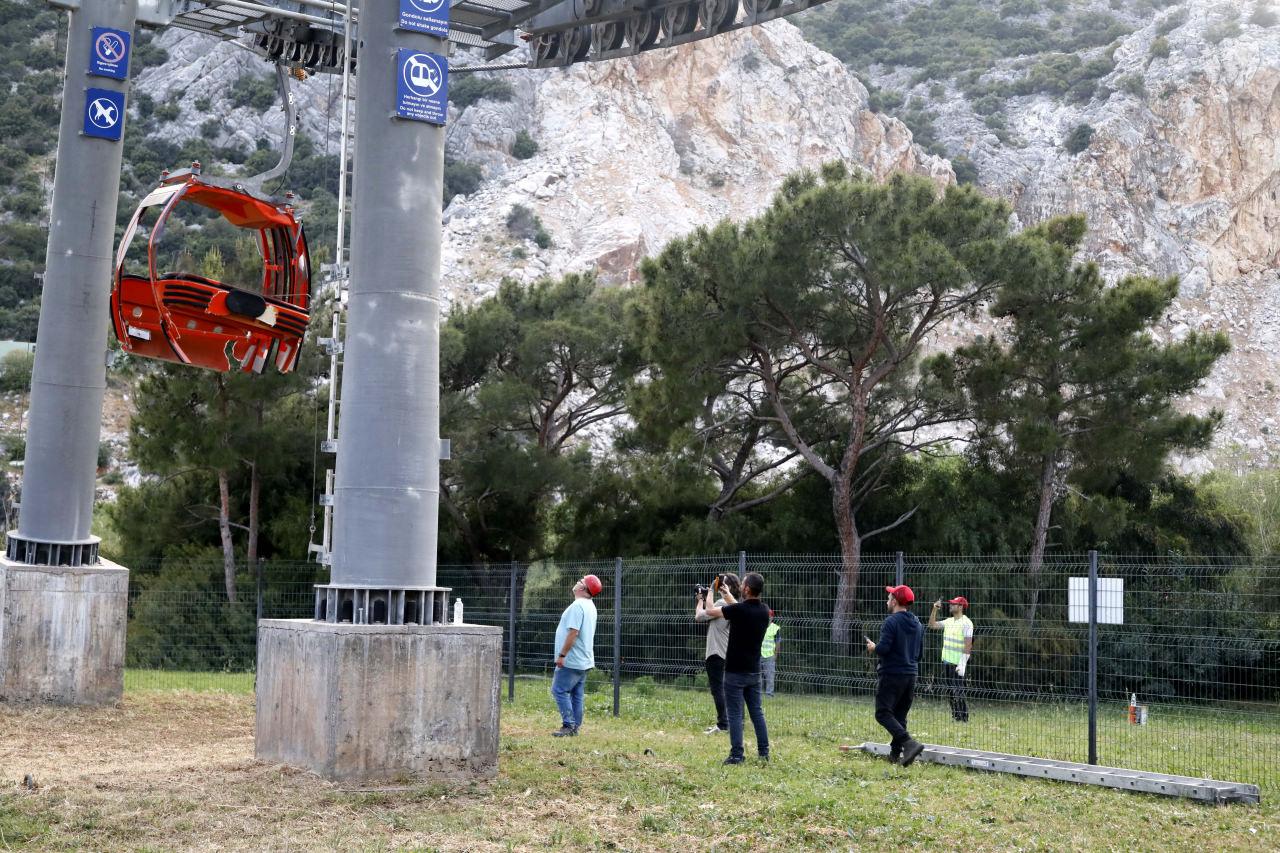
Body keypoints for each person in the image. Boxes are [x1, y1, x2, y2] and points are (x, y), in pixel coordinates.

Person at [699, 572, 770, 765]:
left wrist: (712, 592)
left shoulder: (739, 611)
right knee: (757, 713)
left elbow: (710, 610)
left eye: (744, 583)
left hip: (735, 672)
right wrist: (726, 593)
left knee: (736, 715)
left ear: (746, 589)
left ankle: (737, 755)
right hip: (754, 672)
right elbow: (740, 606)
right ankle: (764, 753)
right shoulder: (764, 611)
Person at [865, 585, 925, 766]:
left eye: (889, 597)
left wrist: (873, 647)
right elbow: (920, 654)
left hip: (892, 674)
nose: (887, 600)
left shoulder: (891, 622)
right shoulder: (918, 623)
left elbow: (883, 649)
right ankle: (896, 755)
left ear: (895, 602)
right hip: (911, 675)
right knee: (900, 716)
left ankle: (909, 743)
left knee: (882, 713)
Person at [550, 573, 602, 737]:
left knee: (559, 690)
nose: (577, 582)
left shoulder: (578, 606)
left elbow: (573, 632)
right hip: (584, 659)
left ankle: (569, 725)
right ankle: (575, 727)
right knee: (577, 694)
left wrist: (562, 655)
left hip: (572, 659)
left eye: (580, 581)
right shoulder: (590, 606)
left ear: (583, 588)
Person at [694, 573, 740, 734]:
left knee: (717, 689)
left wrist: (701, 598)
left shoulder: (722, 602)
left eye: (721, 583)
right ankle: (731, 721)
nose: (717, 584)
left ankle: (723, 724)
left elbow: (699, 616)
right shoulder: (735, 605)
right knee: (727, 689)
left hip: (716, 652)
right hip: (727, 651)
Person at [929, 595, 974, 722]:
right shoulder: (949, 621)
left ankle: (963, 718)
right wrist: (934, 609)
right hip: (947, 662)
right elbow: (932, 625)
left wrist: (962, 664)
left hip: (958, 663)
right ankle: (956, 716)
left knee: (958, 691)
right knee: (950, 691)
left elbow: (968, 645)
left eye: (953, 604)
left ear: (960, 607)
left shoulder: (967, 623)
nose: (950, 605)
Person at [760, 610, 780, 698]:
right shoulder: (758, 625)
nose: (768, 617)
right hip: (758, 655)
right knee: (758, 677)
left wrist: (775, 655)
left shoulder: (775, 628)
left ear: (772, 617)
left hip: (769, 655)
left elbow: (778, 642)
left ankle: (769, 695)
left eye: (769, 616)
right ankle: (758, 695)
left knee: (770, 677)